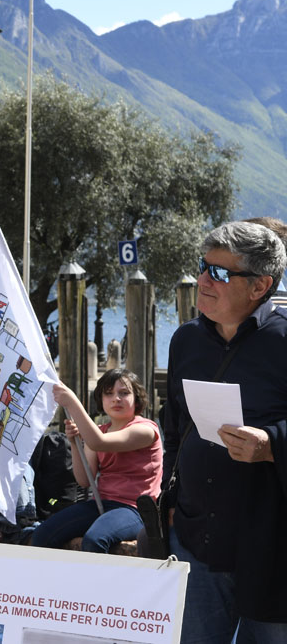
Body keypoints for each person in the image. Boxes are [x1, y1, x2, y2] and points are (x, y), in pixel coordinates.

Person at [164, 221, 287, 642]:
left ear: (260, 286)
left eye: (219, 272)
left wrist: (272, 444)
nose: (202, 280)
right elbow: (174, 426)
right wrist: (170, 497)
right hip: (197, 540)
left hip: (272, 553)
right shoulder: (185, 341)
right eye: (203, 266)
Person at [31, 369, 161, 552]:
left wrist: (72, 402)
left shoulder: (145, 430)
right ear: (101, 399)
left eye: (124, 393)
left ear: (137, 399)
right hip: (102, 503)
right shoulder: (99, 431)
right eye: (109, 393)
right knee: (41, 535)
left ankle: (97, 581)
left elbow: (99, 443)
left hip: (135, 509)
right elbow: (84, 480)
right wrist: (75, 444)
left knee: (95, 539)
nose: (116, 398)